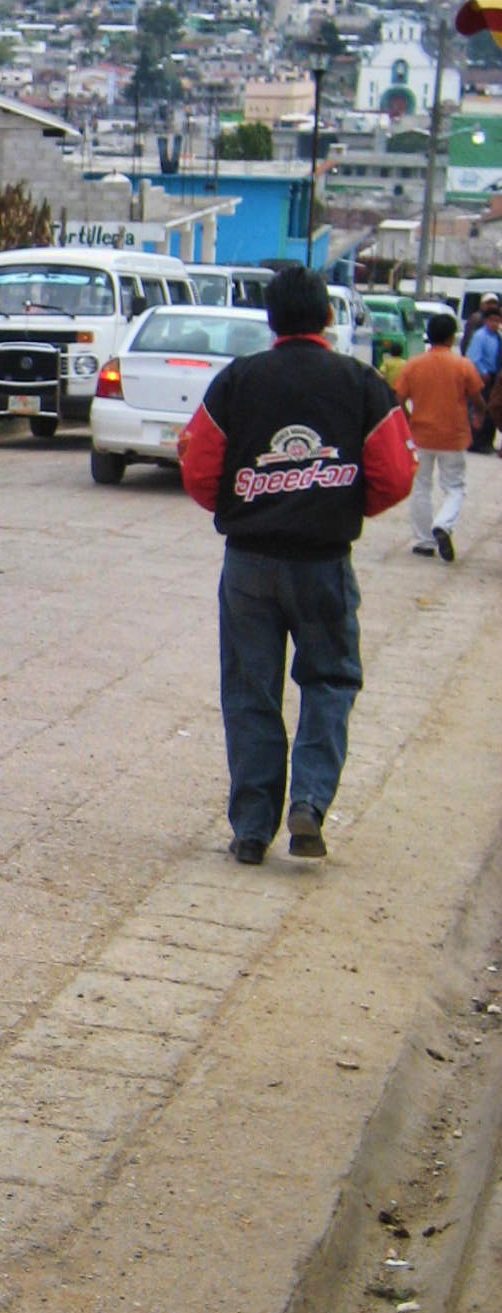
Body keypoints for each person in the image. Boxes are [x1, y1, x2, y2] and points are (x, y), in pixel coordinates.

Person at [178, 263, 414, 865]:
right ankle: (309, 801)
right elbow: (395, 475)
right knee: (330, 680)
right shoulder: (361, 383)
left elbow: (199, 469)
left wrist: (244, 506)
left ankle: (252, 829)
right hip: (323, 564)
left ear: (271, 318)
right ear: (329, 317)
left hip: (248, 564)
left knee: (250, 690)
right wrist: (339, 506)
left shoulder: (238, 380)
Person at [393, 313, 485, 563]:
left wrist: (408, 420)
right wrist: (478, 416)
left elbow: (397, 399)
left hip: (420, 435)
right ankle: (443, 524)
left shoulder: (413, 365)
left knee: (421, 487)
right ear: (452, 337)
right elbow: (477, 399)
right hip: (454, 436)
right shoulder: (463, 365)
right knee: (454, 487)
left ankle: (424, 542)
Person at [465, 296, 501, 453]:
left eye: (497, 320)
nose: (495, 323)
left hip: (494, 379)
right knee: (478, 409)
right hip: (481, 378)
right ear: (486, 321)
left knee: (492, 410)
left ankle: (487, 442)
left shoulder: (497, 337)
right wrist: (483, 372)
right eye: (492, 320)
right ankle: (475, 442)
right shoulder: (480, 336)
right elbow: (473, 357)